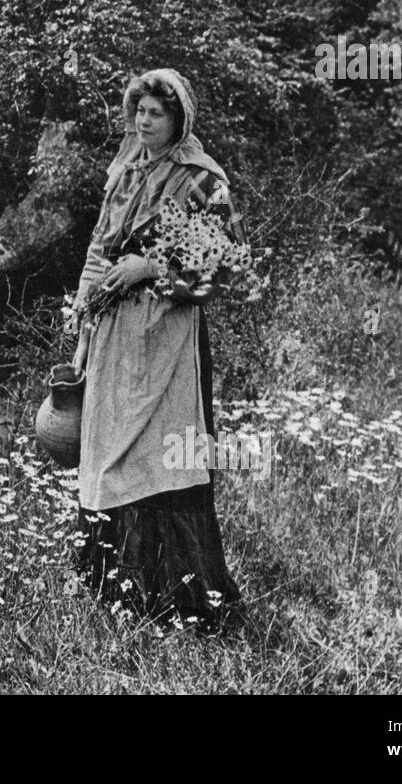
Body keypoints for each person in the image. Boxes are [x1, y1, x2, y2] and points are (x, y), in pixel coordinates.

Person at [69, 67, 246, 632]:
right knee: (109, 445)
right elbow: (98, 250)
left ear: (179, 119)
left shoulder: (202, 179)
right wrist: (82, 320)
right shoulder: (124, 170)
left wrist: (150, 266)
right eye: (139, 112)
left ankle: (177, 594)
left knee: (162, 452)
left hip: (167, 330)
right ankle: (114, 584)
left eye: (156, 115)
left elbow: (224, 263)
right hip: (115, 332)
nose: (144, 123)